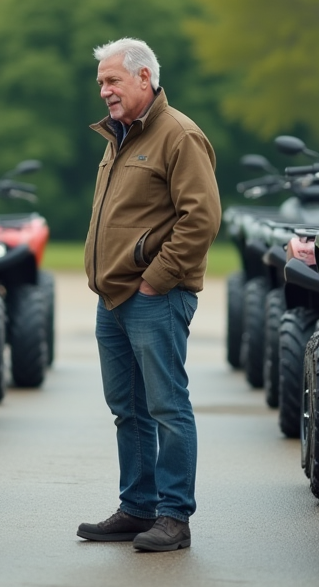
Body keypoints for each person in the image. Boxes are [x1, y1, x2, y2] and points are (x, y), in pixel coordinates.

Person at [77, 37, 221, 552]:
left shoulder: (179, 135)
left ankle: (174, 517)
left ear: (144, 78)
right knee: (128, 409)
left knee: (167, 407)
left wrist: (156, 279)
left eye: (112, 80)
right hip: (113, 298)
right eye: (100, 83)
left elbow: (201, 218)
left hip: (154, 297)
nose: (105, 92)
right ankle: (138, 509)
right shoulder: (117, 137)